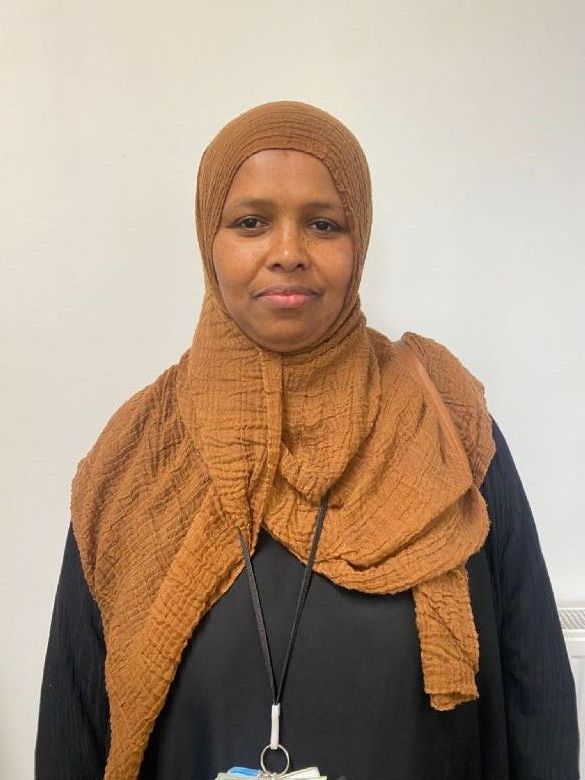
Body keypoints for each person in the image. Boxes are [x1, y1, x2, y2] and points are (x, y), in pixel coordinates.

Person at [36, 101, 579, 780]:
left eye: (324, 224)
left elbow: (535, 695)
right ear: (208, 239)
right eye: (251, 222)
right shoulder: (138, 455)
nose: (288, 252)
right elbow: (75, 721)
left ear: (359, 241)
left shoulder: (444, 422)